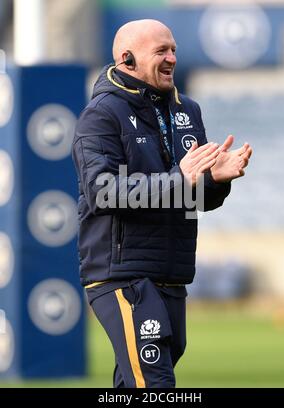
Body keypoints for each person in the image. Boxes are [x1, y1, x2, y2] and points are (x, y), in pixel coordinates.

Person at [72, 19, 252, 388]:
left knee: (135, 381)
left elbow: (191, 199)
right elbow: (102, 191)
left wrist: (212, 182)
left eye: (173, 49)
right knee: (154, 383)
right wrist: (180, 177)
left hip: (172, 273)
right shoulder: (101, 114)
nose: (171, 57)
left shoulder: (188, 111)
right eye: (160, 51)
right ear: (127, 59)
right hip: (122, 276)